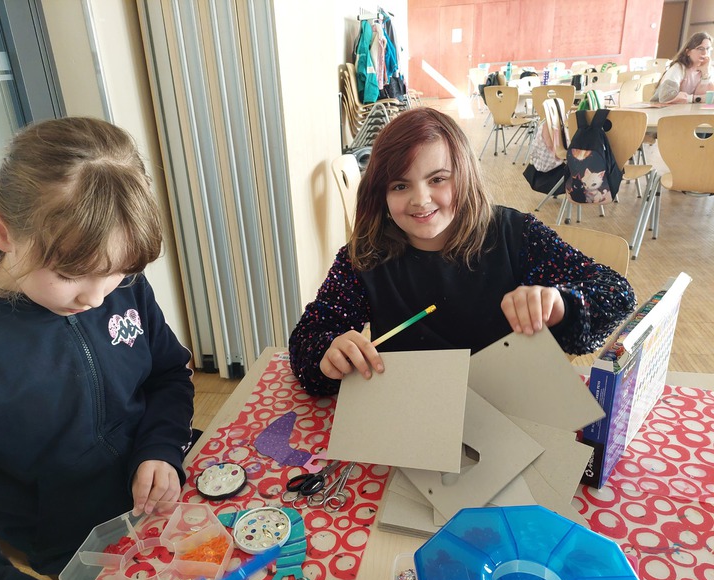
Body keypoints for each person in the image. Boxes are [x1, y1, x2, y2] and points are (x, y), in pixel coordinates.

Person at [0, 117, 196, 580]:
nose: (96, 296)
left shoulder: (116, 284)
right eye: (71, 274)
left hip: (163, 492)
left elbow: (168, 374)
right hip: (74, 542)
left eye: (118, 271)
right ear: (2, 233)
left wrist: (161, 447)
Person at [289, 107, 636, 397]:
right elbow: (309, 336)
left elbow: (617, 294)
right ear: (381, 193)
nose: (420, 199)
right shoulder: (365, 256)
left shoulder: (514, 235)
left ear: (465, 175)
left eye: (438, 179)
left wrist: (561, 303)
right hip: (408, 410)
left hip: (507, 408)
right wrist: (327, 353)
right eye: (400, 185)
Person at [651, 31, 713, 103]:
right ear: (688, 52)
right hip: (662, 108)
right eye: (700, 48)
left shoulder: (708, 70)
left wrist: (705, 74)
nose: (705, 53)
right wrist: (694, 99)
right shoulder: (678, 68)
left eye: (708, 49)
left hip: (684, 109)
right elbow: (666, 97)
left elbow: (707, 97)